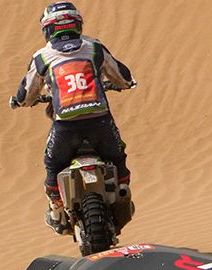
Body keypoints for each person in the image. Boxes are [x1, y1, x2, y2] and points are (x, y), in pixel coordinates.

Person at [9, 2, 136, 232]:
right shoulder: (94, 47)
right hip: (100, 121)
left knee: (52, 165)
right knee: (117, 158)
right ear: (77, 24)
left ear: (47, 29)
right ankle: (122, 195)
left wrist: (20, 102)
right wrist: (126, 84)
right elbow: (120, 75)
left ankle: (57, 211)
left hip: (66, 126)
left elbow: (28, 92)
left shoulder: (42, 57)